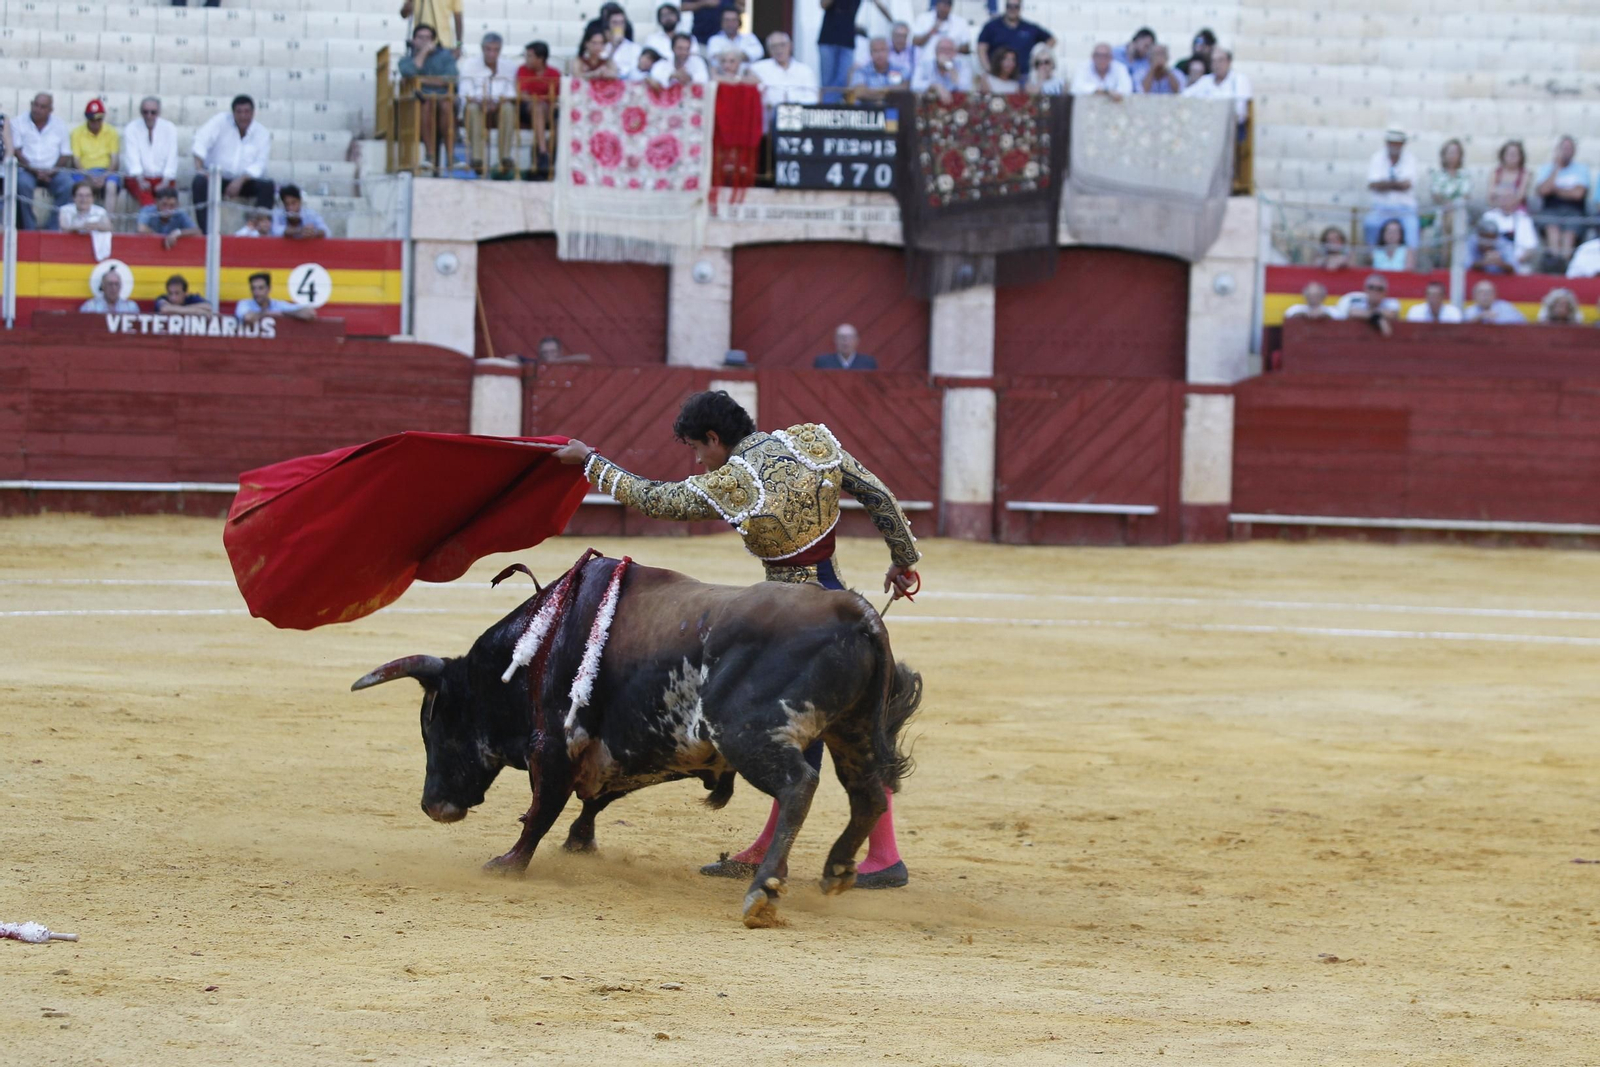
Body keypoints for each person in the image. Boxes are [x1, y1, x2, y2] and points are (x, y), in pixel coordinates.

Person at [552, 390, 920, 889]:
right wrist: (903, 559)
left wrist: (592, 462)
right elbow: (878, 494)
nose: (697, 462)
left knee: (784, 733)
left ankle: (791, 851)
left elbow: (657, 500)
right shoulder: (810, 441)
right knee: (856, 730)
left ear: (714, 438)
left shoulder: (736, 479)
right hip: (838, 599)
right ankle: (876, 854)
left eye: (697, 449)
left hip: (787, 620)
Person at [190, 94, 275, 234]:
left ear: (253, 113)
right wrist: (199, 168)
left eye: (247, 112)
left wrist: (240, 181)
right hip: (217, 178)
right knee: (199, 182)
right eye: (239, 112)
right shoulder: (220, 121)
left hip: (245, 180)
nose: (243, 116)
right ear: (233, 112)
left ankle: (259, 230)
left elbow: (260, 165)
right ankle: (206, 232)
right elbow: (200, 140)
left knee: (267, 186)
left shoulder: (262, 133)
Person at [398, 25, 460, 172]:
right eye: (420, 37)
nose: (424, 41)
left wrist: (422, 80)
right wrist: (423, 53)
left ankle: (451, 156)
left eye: (428, 38)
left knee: (446, 106)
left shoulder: (445, 56)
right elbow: (409, 72)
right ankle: (430, 156)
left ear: (433, 40)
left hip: (444, 98)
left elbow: (451, 79)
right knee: (426, 104)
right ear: (413, 40)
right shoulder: (406, 59)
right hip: (420, 101)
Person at [458, 32, 518, 173]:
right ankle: (477, 159)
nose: (492, 54)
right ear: (482, 49)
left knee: (508, 108)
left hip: (500, 106)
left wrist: (497, 103)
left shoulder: (508, 66)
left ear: (500, 50)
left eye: (496, 50)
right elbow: (465, 92)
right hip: (476, 105)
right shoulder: (469, 65)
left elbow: (512, 92)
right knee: (472, 108)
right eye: (488, 49)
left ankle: (505, 157)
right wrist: (482, 102)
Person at [15, 92, 73, 231]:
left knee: (67, 184)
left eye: (42, 107)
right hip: (27, 170)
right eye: (35, 105)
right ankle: (29, 228)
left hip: (52, 171)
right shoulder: (18, 122)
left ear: (50, 110)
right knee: (22, 184)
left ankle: (52, 228)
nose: (37, 109)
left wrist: (52, 171)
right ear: (31, 104)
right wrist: (35, 171)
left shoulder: (59, 125)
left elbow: (65, 154)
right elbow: (17, 151)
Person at [1533, 136, 1591, 268]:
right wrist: (1557, 168)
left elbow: (1578, 194)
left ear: (1574, 151)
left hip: (1574, 210)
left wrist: (1555, 190)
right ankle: (1555, 262)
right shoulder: (1547, 168)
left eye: (1569, 148)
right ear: (1558, 150)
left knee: (1569, 233)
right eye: (1563, 148)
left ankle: (1563, 264)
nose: (1566, 151)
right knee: (1552, 228)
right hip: (1551, 209)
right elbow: (1543, 191)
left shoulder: (1581, 169)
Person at [1363, 128, 1418, 251]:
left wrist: (1385, 184)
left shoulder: (1410, 159)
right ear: (1386, 143)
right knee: (1370, 224)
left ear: (1403, 144)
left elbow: (1407, 185)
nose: (1394, 146)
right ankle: (1373, 260)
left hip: (1405, 209)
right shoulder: (1377, 157)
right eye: (1391, 142)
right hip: (1381, 208)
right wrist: (1397, 184)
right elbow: (1373, 185)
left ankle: (1410, 263)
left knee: (1412, 228)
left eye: (1397, 143)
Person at [122, 97, 178, 207]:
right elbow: (132, 157)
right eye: (145, 112)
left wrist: (165, 182)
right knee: (147, 202)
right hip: (138, 178)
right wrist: (140, 180)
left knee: (168, 202)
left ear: (159, 112)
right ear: (140, 112)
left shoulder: (169, 128)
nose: (149, 116)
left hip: (162, 177)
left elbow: (172, 156)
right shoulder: (131, 128)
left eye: (153, 112)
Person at [977, 0, 1054, 76]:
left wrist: (1039, 53)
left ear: (1020, 8)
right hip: (998, 76)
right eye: (1009, 6)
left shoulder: (1030, 28)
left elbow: (1051, 40)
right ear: (1005, 7)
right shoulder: (991, 27)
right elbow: (981, 49)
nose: (1012, 9)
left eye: (1016, 6)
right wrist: (988, 69)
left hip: (1023, 76)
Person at [517, 42, 560, 172]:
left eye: (530, 56)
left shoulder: (554, 74)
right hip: (528, 109)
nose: (526, 59)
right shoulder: (523, 70)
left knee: (560, 120)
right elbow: (522, 95)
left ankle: (550, 156)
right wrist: (540, 100)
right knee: (538, 107)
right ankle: (542, 152)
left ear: (540, 59)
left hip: (550, 109)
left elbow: (557, 97)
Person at [70, 98, 120, 202]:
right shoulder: (77, 133)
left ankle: (108, 218)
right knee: (81, 188)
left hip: (106, 171)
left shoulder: (112, 132)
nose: (96, 123)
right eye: (92, 120)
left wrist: (104, 176)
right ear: (87, 118)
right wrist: (89, 176)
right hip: (84, 171)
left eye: (99, 119)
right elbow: (76, 160)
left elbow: (114, 160)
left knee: (111, 186)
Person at [1181, 46, 1249, 123]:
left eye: (1221, 60)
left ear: (1229, 62)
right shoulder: (1206, 80)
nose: (1217, 64)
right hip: (1207, 124)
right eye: (1214, 61)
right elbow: (1185, 95)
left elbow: (1240, 112)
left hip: (1231, 126)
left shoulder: (1239, 80)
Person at [750, 33, 820, 107]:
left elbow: (813, 98)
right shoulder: (758, 68)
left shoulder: (805, 70)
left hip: (800, 113)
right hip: (770, 114)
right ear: (769, 50)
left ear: (790, 46)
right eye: (774, 46)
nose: (779, 49)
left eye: (782, 45)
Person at [817, 0, 863, 102]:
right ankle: (828, 108)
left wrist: (894, 22)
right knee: (827, 81)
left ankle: (829, 107)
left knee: (843, 80)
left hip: (847, 41)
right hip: (828, 39)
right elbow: (823, 5)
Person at [911, 0, 973, 71]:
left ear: (950, 7)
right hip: (927, 66)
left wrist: (949, 49)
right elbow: (915, 42)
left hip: (951, 67)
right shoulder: (923, 18)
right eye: (942, 4)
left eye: (947, 5)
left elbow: (966, 47)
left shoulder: (960, 22)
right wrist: (931, 31)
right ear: (937, 4)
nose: (944, 8)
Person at [235, 271, 317, 325]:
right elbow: (248, 318)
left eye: (260, 288)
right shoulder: (245, 304)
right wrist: (267, 313)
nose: (256, 292)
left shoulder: (278, 305)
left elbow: (309, 313)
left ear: (269, 289)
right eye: (253, 288)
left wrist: (283, 313)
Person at [136, 185, 200, 248]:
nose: (167, 209)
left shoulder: (179, 213)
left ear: (177, 205)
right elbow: (142, 229)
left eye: (172, 205)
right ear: (156, 202)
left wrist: (177, 233)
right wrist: (162, 239)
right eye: (164, 204)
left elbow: (197, 232)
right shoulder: (148, 210)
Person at [912, 36, 973, 100]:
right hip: (931, 103)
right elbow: (914, 85)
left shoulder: (963, 65)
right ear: (936, 52)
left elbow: (966, 88)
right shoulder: (924, 64)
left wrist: (950, 67)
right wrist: (935, 86)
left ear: (955, 53)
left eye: (949, 50)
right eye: (942, 49)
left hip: (955, 103)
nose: (945, 53)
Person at [1335, 273, 1401, 322]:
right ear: (1365, 289)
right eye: (1371, 287)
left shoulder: (1392, 302)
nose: (1375, 291)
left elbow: (1392, 314)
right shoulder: (1356, 300)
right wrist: (1377, 319)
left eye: (1379, 289)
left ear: (1385, 292)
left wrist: (1368, 315)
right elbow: (1352, 312)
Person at [813, 324, 878, 369]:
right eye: (841, 337)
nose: (845, 342)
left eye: (849, 337)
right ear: (835, 340)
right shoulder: (823, 362)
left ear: (856, 341)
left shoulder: (868, 363)